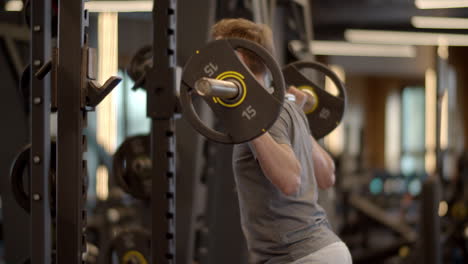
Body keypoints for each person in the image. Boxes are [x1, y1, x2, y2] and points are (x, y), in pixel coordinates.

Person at [212, 18, 352, 263]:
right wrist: (298, 120)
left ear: (240, 59)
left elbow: (290, 180)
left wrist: (250, 120)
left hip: (300, 257)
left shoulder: (263, 114)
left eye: (220, 54)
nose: (211, 65)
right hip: (324, 251)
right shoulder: (286, 108)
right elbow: (326, 175)